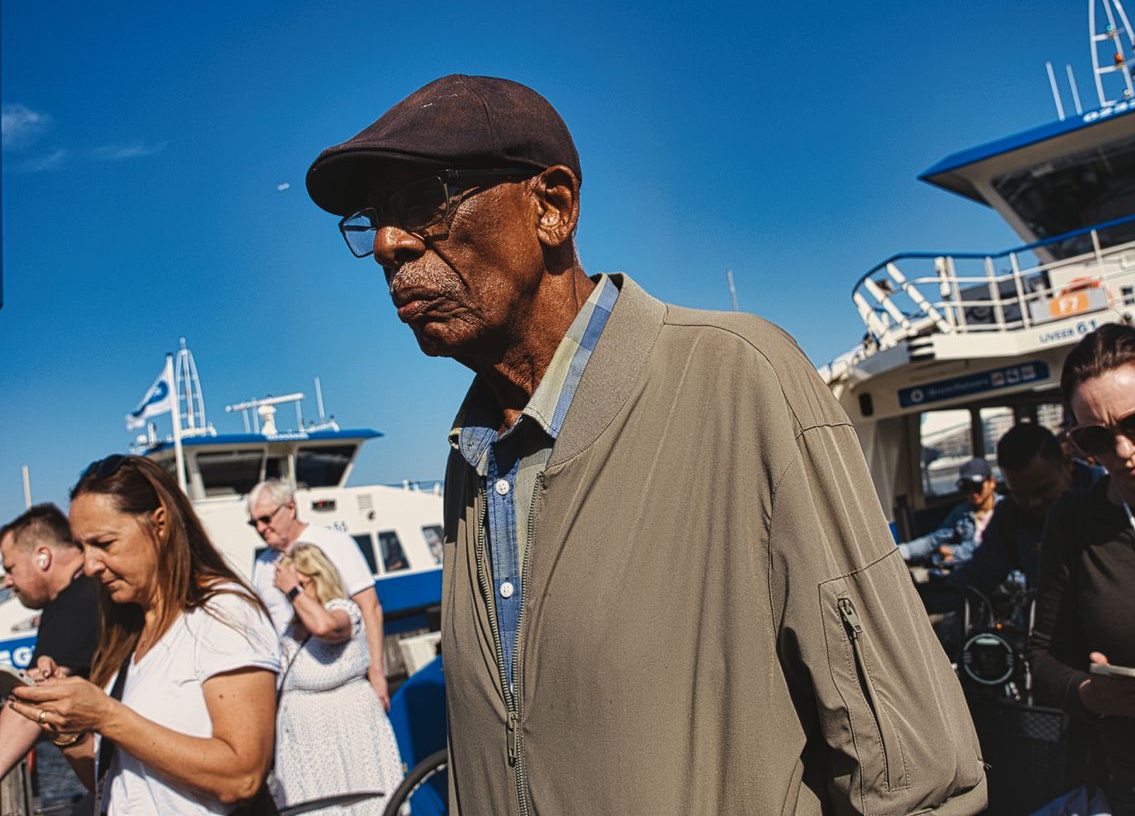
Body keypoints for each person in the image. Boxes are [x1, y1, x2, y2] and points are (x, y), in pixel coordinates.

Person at [304, 74, 986, 813]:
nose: (386, 244)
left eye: (422, 203)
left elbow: (915, 771)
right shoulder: (470, 458)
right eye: (373, 218)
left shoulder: (739, 378)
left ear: (551, 206)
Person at [8, 455, 280, 814]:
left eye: (104, 544)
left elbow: (242, 776)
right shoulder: (130, 629)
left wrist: (107, 715)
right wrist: (68, 730)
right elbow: (118, 782)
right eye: (83, 547)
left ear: (160, 525)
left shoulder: (223, 613)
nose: (89, 565)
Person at [1028, 324, 1135, 814]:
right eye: (1096, 439)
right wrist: (1093, 695)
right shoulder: (1074, 520)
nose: (1123, 452)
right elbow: (1041, 660)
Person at [270, 543, 402, 814]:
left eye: (300, 584)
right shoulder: (289, 628)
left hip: (346, 733)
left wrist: (293, 590)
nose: (290, 595)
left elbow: (325, 627)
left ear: (318, 578)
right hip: (305, 745)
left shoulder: (344, 611)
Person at [246, 478, 388, 709]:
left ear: (290, 508)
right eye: (254, 523)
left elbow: (370, 607)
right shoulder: (262, 564)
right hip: (292, 688)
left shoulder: (334, 543)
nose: (261, 528)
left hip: (339, 683)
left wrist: (377, 672)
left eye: (265, 519)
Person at [945, 422, 1103, 596]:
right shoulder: (1010, 515)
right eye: (1021, 495)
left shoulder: (1107, 492)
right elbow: (981, 573)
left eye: (1043, 490)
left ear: (1067, 463)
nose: (1033, 502)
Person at [0, 504, 99, 778]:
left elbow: (30, 699)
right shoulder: (95, 589)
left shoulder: (73, 603)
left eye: (11, 567)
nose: (8, 581)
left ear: (43, 557)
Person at [901, 457, 999, 569]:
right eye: (967, 487)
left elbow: (995, 550)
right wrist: (903, 551)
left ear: (992, 482)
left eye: (977, 486)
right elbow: (934, 540)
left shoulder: (1005, 509)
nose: (973, 492)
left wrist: (954, 552)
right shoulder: (961, 514)